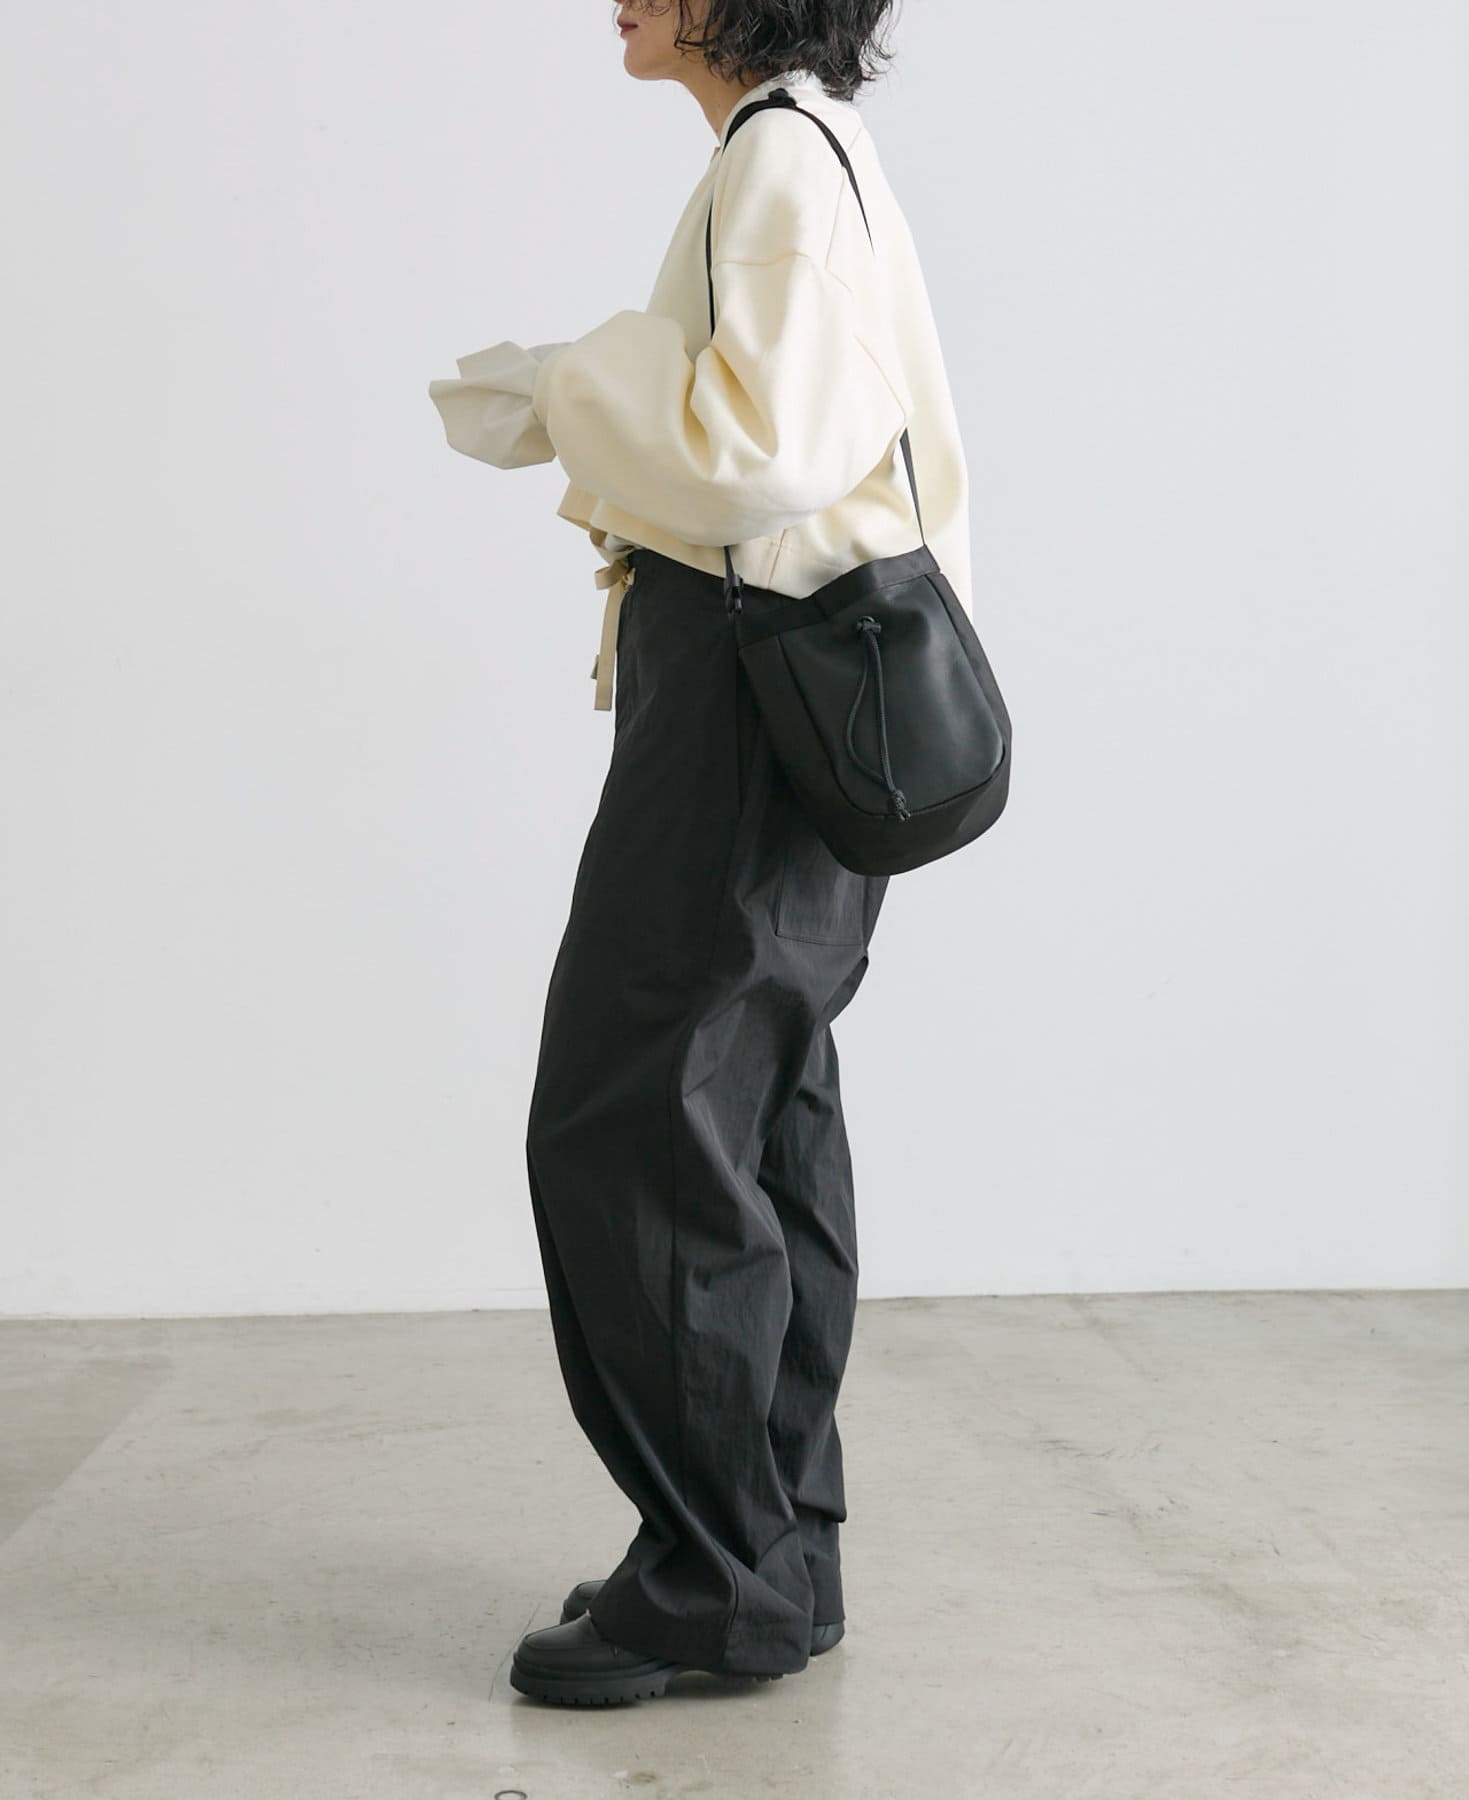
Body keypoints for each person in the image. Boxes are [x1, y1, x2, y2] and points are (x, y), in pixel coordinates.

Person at [428, 0, 972, 1706]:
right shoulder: (804, 146)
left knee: (635, 1115)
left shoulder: (781, 161)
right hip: (797, 699)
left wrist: (564, 384)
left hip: (748, 708)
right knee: (756, 1118)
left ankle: (717, 1576)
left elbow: (763, 453)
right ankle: (767, 1554)